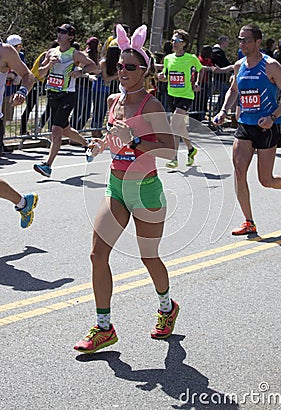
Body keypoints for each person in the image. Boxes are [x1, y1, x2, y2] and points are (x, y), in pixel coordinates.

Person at [74, 24, 179, 354]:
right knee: (96, 254)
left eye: (130, 67)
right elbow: (114, 140)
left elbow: (170, 150)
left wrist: (133, 141)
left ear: (144, 72)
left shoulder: (151, 106)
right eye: (120, 64)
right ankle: (104, 327)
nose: (122, 70)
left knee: (149, 257)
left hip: (145, 189)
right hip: (116, 185)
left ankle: (167, 307)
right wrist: (101, 144)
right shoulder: (113, 99)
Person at [215, 23, 281, 235]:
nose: (241, 43)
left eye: (246, 40)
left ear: (257, 42)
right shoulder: (238, 65)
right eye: (239, 39)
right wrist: (224, 110)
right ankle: (249, 221)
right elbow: (233, 91)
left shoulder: (271, 66)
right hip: (245, 125)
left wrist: (272, 117)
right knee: (239, 169)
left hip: (266, 127)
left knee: (265, 180)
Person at [33, 23, 97, 178]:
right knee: (66, 129)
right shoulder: (51, 52)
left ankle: (47, 165)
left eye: (63, 32)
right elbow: (40, 74)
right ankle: (88, 144)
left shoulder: (74, 54)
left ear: (70, 36)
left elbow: (93, 66)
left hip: (67, 95)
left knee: (56, 130)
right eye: (58, 31)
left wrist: (80, 71)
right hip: (52, 95)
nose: (59, 34)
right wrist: (49, 64)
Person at [0, 40, 38, 227]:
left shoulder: (5, 51)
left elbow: (28, 76)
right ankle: (23, 203)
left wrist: (22, 91)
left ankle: (23, 203)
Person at [158, 29, 203, 168]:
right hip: (172, 95)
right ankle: (191, 149)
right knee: (180, 126)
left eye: (176, 41)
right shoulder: (168, 58)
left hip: (186, 95)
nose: (173, 43)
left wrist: (197, 83)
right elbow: (166, 76)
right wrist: (161, 77)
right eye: (172, 40)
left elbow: (201, 69)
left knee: (174, 125)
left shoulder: (191, 58)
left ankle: (174, 158)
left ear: (184, 43)